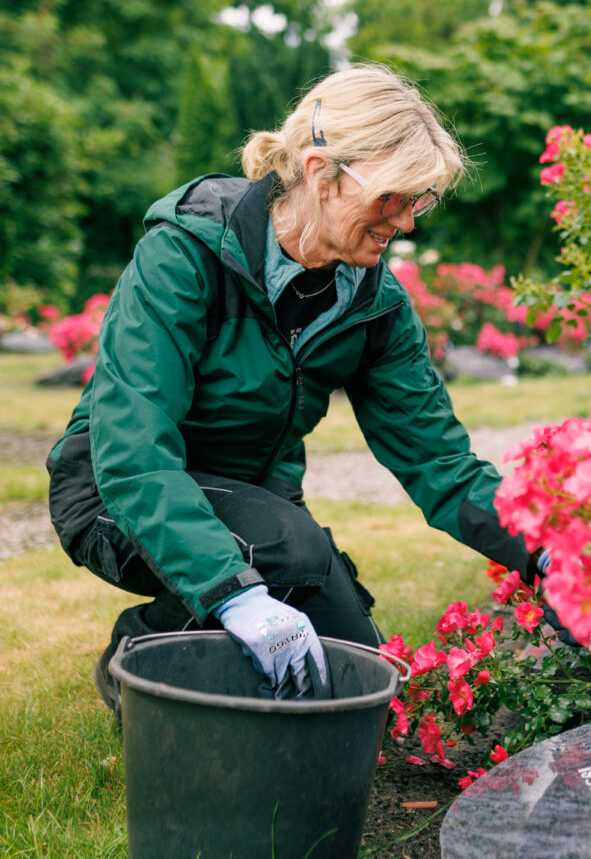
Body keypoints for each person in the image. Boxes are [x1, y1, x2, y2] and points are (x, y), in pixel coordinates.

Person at [46, 64, 541, 714]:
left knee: (359, 680)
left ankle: (218, 615)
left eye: (417, 201)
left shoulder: (376, 307)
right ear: (320, 173)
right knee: (291, 555)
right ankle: (138, 651)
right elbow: (133, 454)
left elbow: (439, 462)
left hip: (255, 508)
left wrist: (543, 551)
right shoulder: (188, 254)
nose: (407, 222)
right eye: (394, 197)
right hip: (112, 496)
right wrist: (236, 594)